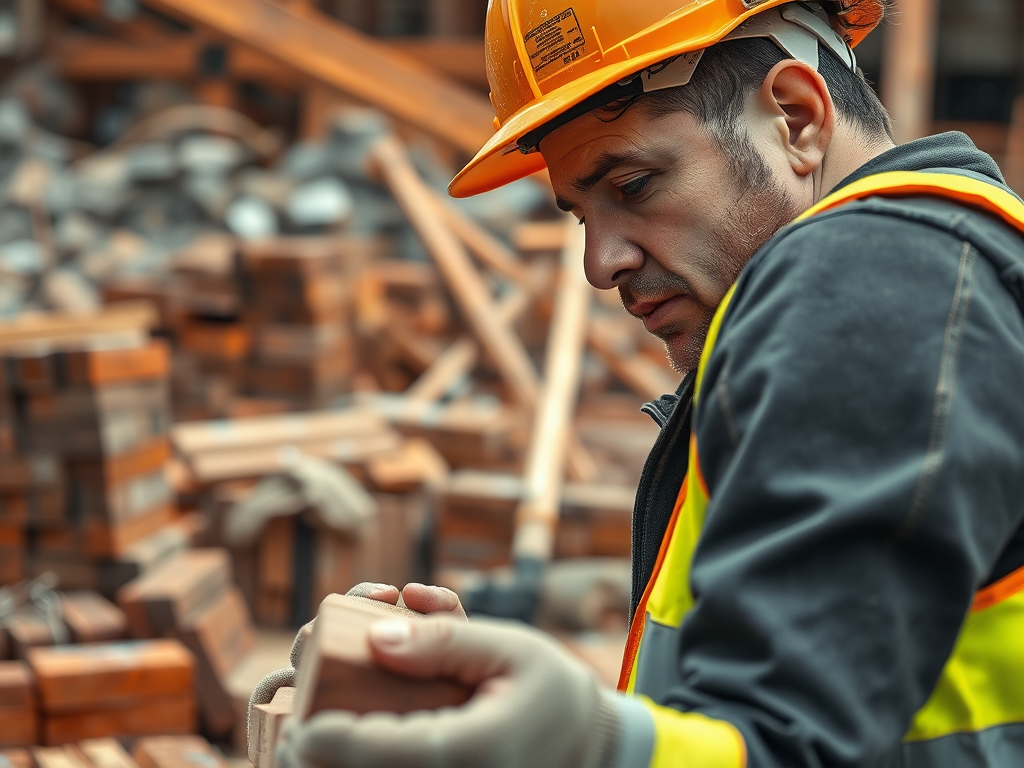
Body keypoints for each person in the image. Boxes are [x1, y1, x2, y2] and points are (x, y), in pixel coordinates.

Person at [262, 1, 1024, 766]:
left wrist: (582, 748)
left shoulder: (876, 281)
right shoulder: (929, 282)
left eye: (632, 185)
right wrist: (507, 706)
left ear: (796, 118)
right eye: (580, 215)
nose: (601, 266)